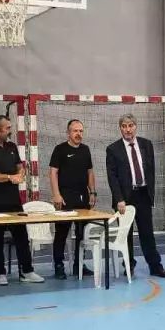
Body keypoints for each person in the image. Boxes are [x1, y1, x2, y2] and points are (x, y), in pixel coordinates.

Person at [0, 116, 44, 285]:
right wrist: (8, 177)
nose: (10, 131)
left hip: (13, 200)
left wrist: (20, 175)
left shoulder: (11, 147)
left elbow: (20, 167)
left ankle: (27, 271)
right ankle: (0, 273)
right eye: (7, 128)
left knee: (21, 235)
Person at [105, 115, 165, 278]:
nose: (128, 129)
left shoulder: (146, 145)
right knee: (126, 234)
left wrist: (150, 194)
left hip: (143, 194)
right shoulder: (113, 149)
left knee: (147, 233)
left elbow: (150, 171)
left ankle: (155, 266)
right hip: (124, 198)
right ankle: (129, 265)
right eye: (124, 126)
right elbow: (112, 177)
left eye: (131, 125)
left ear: (136, 126)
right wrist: (119, 199)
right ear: (120, 128)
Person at [48, 119, 96, 279]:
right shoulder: (60, 149)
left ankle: (79, 265)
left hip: (83, 198)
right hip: (65, 197)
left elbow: (90, 172)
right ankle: (59, 266)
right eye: (75, 131)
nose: (78, 134)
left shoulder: (86, 150)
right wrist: (56, 194)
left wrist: (92, 192)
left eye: (81, 131)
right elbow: (53, 172)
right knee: (61, 233)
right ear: (68, 133)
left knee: (82, 234)